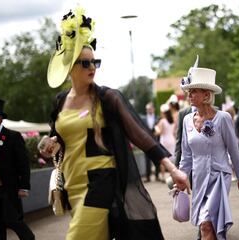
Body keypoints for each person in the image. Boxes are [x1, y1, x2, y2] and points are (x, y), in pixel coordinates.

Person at [40, 7, 187, 240]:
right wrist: (47, 145)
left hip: (100, 180)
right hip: (73, 183)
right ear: (70, 67)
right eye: (85, 63)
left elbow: (140, 134)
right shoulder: (60, 102)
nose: (91, 68)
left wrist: (172, 168)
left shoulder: (107, 98)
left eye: (94, 62)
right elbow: (55, 139)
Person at [178, 60, 239, 240]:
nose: (189, 95)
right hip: (199, 179)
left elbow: (234, 151)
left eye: (193, 91)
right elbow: (186, 156)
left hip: (219, 177)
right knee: (209, 226)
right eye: (189, 91)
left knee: (207, 225)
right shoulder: (187, 120)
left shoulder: (223, 118)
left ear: (206, 95)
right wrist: (181, 177)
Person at [0, 98, 35, 240]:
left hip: (7, 187)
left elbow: (23, 164)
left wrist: (24, 186)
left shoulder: (13, 136)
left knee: (13, 220)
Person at [154, 104, 176, 182]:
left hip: (164, 141)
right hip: (172, 140)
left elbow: (160, 132)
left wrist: (155, 129)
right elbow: (173, 132)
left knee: (163, 158)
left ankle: (163, 177)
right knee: (172, 159)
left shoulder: (162, 121)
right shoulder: (172, 120)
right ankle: (172, 175)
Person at [141, 102, 160, 182]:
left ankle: (157, 175)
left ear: (153, 109)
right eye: (147, 109)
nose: (148, 110)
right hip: (146, 140)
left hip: (156, 140)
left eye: (150, 109)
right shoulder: (143, 119)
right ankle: (148, 176)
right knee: (147, 159)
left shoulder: (157, 118)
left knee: (157, 158)